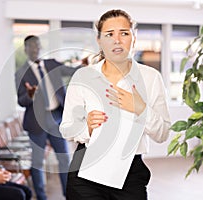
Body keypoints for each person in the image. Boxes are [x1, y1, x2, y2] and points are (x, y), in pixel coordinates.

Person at [59, 9, 171, 200]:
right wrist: (87, 127)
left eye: (124, 33)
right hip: (86, 169)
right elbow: (66, 129)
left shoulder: (151, 78)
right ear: (100, 40)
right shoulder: (83, 77)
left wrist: (141, 109)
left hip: (130, 173)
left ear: (134, 38)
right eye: (109, 34)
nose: (117, 40)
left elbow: (162, 134)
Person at [15, 35, 81, 200]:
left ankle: (69, 194)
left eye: (37, 46)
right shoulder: (20, 73)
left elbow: (71, 71)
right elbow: (21, 101)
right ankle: (41, 196)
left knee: (64, 158)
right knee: (37, 162)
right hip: (36, 122)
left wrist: (85, 65)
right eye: (31, 47)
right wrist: (29, 95)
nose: (35, 49)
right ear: (25, 49)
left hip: (56, 117)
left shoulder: (52, 64)